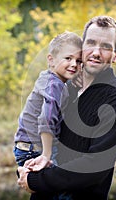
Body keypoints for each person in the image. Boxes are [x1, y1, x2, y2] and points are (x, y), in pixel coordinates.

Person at [17, 15, 116, 199]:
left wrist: (35, 181)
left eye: (105, 47)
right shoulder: (64, 88)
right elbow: (33, 129)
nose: (96, 52)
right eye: (91, 43)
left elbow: (96, 165)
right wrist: (26, 169)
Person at [13, 31, 82, 171]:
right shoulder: (54, 84)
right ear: (51, 60)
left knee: (47, 191)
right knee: (59, 187)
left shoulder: (52, 80)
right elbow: (47, 118)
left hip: (27, 146)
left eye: (79, 61)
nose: (74, 64)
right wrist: (46, 154)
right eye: (68, 58)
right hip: (36, 149)